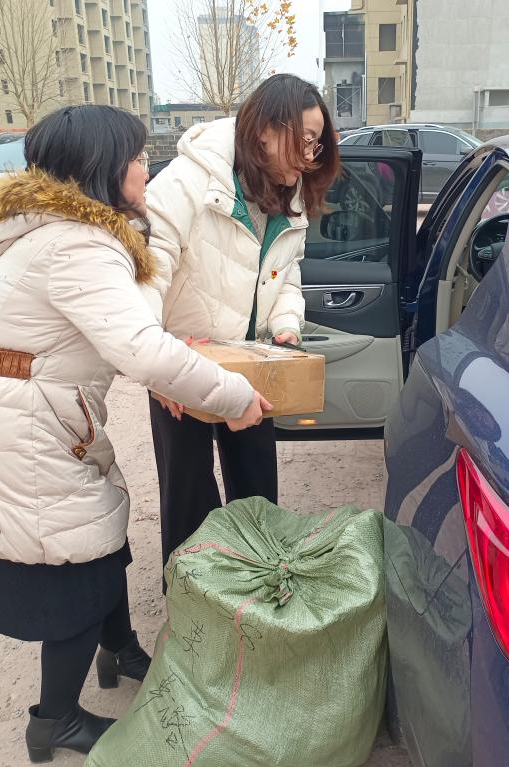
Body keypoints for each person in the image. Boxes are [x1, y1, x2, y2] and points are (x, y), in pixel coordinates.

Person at [0, 105, 269, 763]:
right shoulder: (78, 245)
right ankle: (54, 720)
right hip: (30, 433)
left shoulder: (63, 235)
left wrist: (171, 371)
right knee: (75, 574)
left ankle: (118, 651)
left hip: (41, 419)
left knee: (100, 537)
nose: (146, 170)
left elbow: (122, 332)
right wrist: (232, 397)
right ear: (103, 168)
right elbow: (140, 348)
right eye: (137, 158)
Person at [144, 74, 340, 570]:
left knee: (257, 490)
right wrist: (156, 366)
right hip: (183, 367)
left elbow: (287, 273)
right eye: (304, 140)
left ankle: (259, 583)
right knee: (188, 494)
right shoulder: (185, 185)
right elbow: (146, 280)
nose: (309, 156)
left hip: (252, 364)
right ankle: (191, 595)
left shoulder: (290, 195)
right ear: (265, 131)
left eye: (317, 144)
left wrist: (286, 324)